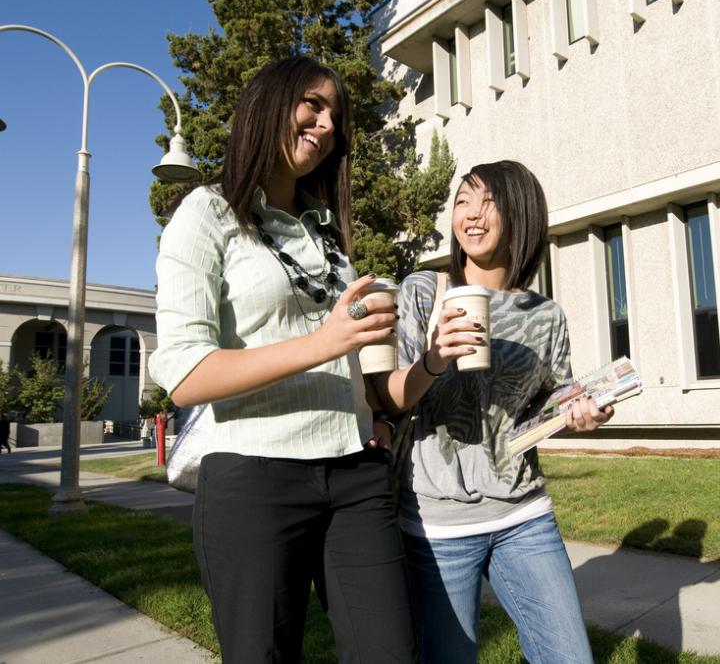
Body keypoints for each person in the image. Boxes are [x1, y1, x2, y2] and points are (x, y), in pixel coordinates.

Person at [148, 56, 415, 663]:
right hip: (254, 474)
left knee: (391, 653)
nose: (326, 126)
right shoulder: (205, 215)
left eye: (336, 117)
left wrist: (371, 410)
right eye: (313, 106)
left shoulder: (324, 235)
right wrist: (324, 343)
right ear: (269, 104)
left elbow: (348, 359)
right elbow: (187, 376)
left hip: (355, 473)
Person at [373, 160, 613, 664]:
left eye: (488, 202)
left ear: (519, 214)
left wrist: (583, 412)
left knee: (571, 658)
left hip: (524, 512)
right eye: (462, 201)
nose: (472, 214)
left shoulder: (545, 316)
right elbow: (389, 398)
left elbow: (550, 404)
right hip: (438, 522)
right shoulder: (423, 291)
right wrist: (435, 359)